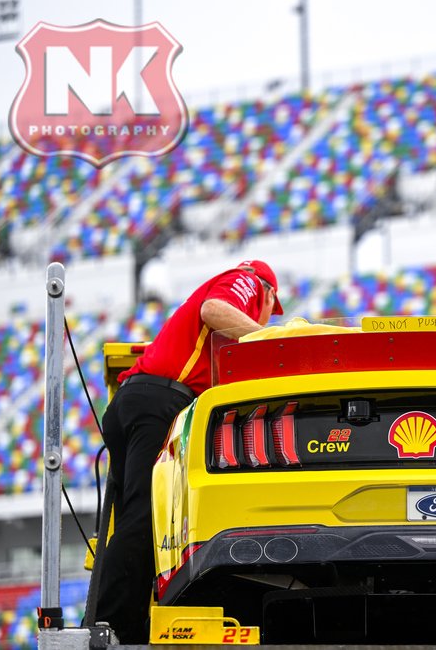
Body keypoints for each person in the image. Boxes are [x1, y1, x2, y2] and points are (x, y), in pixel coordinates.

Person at [94, 260, 283, 643]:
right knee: (143, 520)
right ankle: (110, 625)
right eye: (271, 309)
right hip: (158, 401)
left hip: (139, 401)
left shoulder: (214, 340)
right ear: (268, 293)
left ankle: (122, 623)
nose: (266, 316)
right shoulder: (246, 281)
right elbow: (212, 310)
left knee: (141, 520)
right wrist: (270, 340)